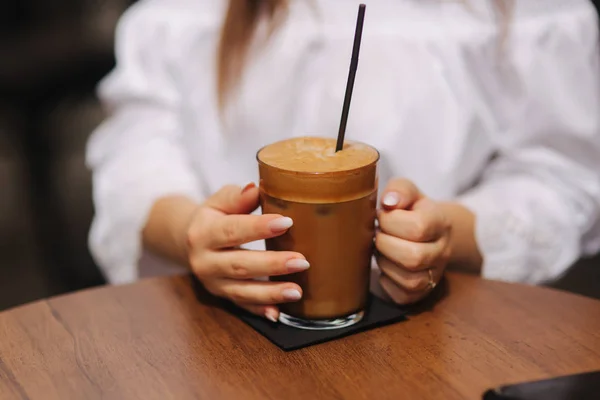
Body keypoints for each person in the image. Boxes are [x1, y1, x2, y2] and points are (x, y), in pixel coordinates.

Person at [87, 0, 600, 322]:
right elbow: (137, 146)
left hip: (446, 331)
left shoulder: (514, 14)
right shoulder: (187, 15)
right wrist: (190, 231)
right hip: (222, 335)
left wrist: (448, 233)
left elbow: (562, 170)